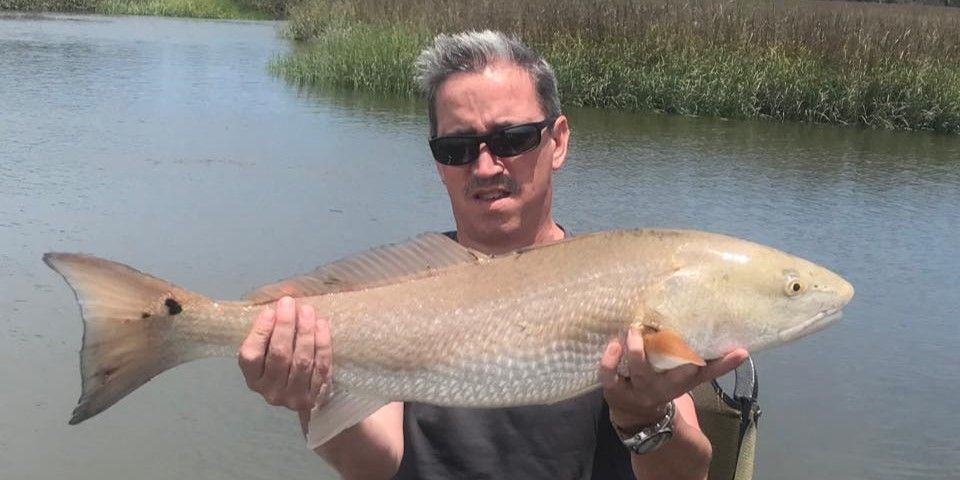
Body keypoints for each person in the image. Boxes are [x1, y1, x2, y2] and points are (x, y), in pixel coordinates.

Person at [238, 30, 748, 480]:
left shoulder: (619, 283)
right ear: (437, 163)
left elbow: (690, 475)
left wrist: (645, 418)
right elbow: (374, 467)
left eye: (512, 139)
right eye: (457, 148)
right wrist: (312, 396)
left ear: (558, 141)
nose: (484, 167)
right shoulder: (399, 293)